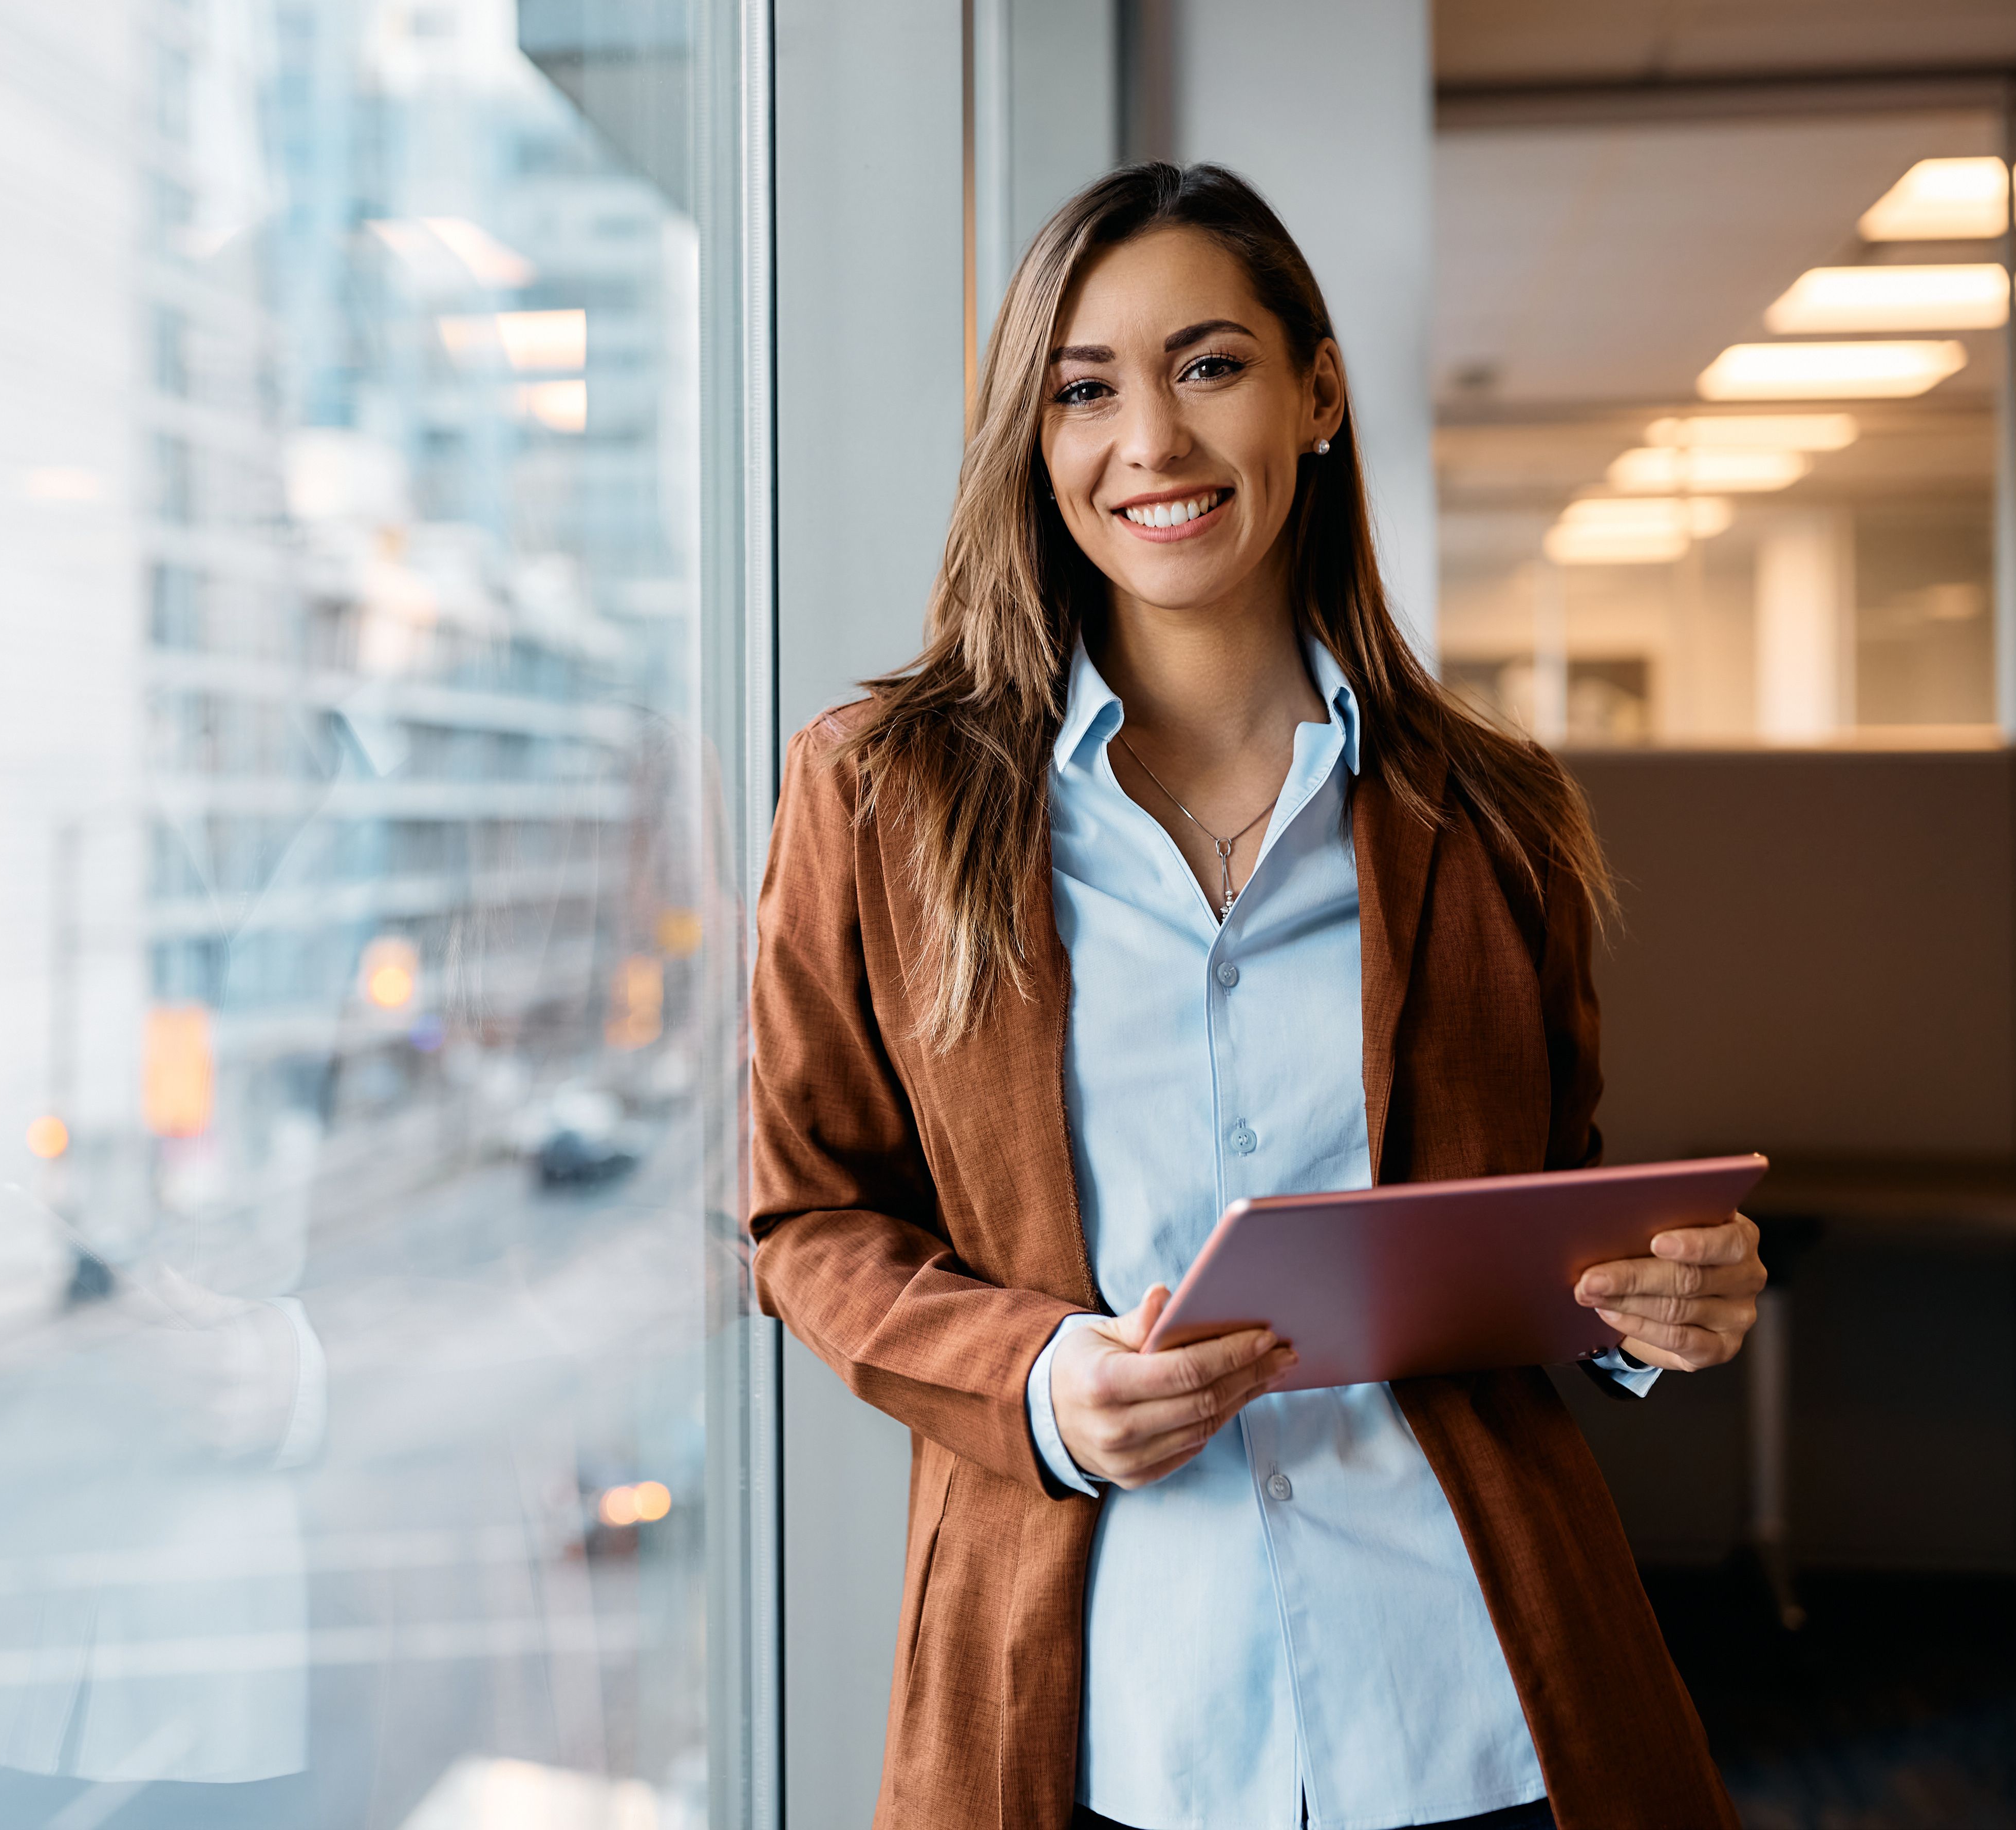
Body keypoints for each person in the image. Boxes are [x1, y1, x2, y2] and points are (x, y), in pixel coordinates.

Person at [748, 164, 1763, 1830]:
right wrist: (1038, 1383)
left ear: (1318, 394)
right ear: (1036, 434)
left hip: (1473, 1707)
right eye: (1086, 389)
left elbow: (1545, 1211)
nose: (1149, 440)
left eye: (1208, 365)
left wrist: (1655, 1312)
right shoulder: (880, 795)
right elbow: (805, 1218)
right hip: (1104, 1720)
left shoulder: (1493, 815)